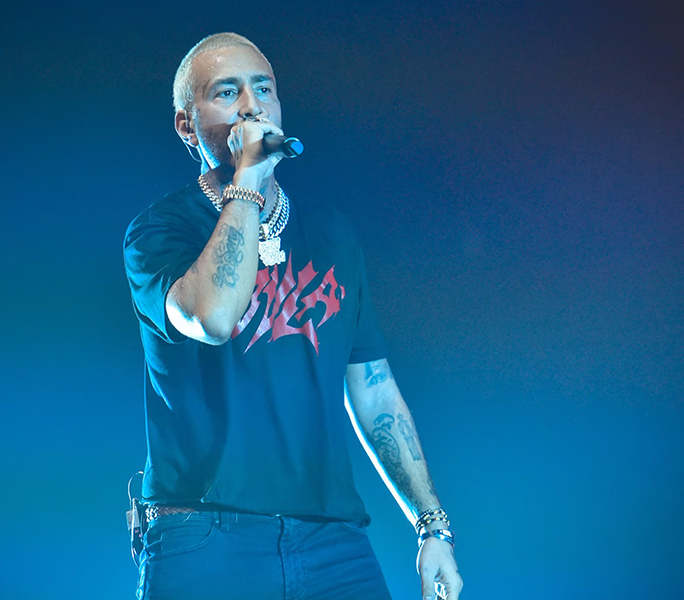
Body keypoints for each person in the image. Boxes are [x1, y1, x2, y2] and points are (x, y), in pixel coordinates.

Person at [123, 32, 463, 600]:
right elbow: (212, 318)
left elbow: (374, 391)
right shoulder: (161, 231)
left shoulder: (333, 235)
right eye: (227, 93)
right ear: (187, 125)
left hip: (332, 541)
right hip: (205, 535)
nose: (252, 107)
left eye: (264, 90)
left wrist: (432, 527)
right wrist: (248, 179)